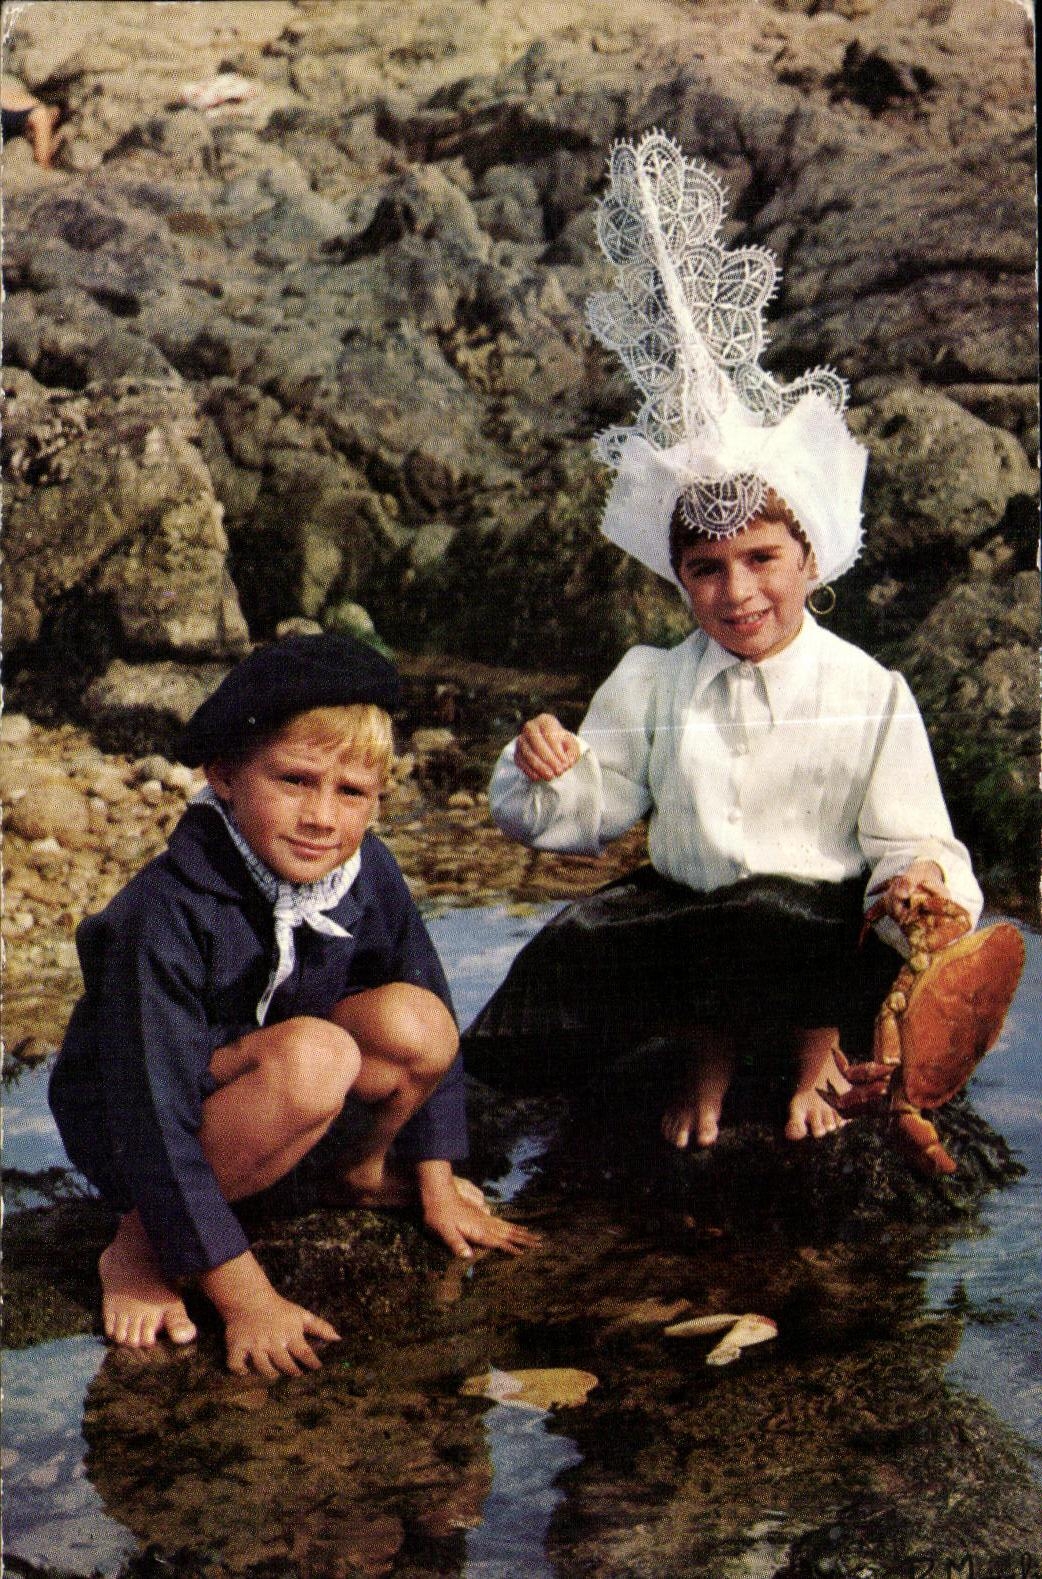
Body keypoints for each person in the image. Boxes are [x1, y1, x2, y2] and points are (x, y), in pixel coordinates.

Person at [463, 132, 983, 1153]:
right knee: (565, 955)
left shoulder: (866, 689)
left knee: (783, 917)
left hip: (815, 936)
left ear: (809, 557)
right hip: (693, 930)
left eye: (761, 559)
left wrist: (918, 877)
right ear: (678, 577)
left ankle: (810, 1053)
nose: (737, 592)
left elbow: (911, 838)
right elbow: (588, 815)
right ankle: (702, 1051)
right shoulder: (653, 680)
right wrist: (547, 769)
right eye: (706, 569)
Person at [49, 633, 537, 1378]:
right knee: (318, 1056)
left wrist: (435, 1179)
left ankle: (356, 1175)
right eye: (295, 780)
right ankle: (141, 1242)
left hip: (275, 1084)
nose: (322, 817)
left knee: (420, 1023)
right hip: (136, 1124)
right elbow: (149, 1107)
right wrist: (246, 1297)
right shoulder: (165, 913)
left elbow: (428, 994)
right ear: (224, 775)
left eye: (352, 792)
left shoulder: (364, 870)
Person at [1, 78, 61, 169]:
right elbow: (42, 161)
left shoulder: (16, 94)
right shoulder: (40, 113)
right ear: (54, 113)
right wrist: (57, 139)